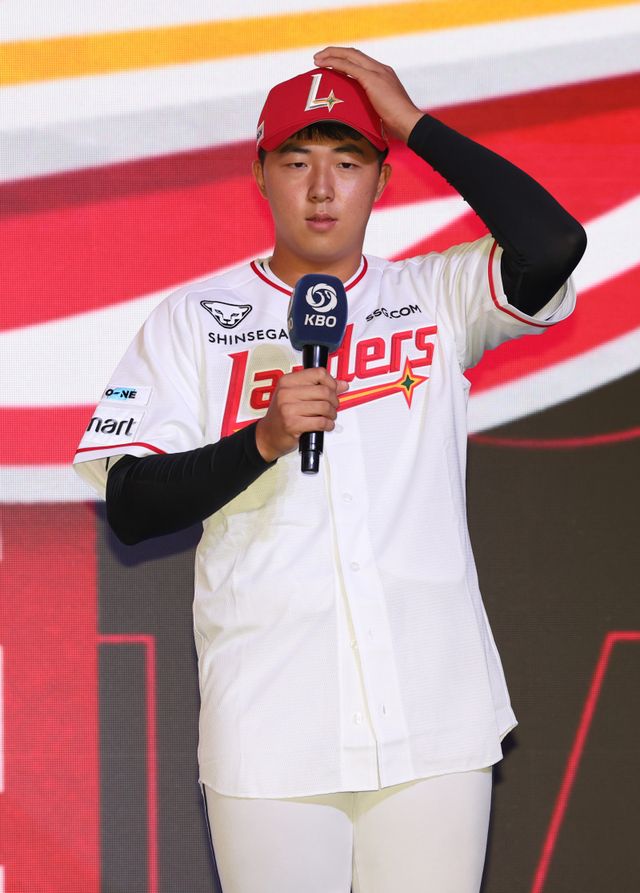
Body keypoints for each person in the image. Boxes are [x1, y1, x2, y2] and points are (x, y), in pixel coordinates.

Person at [74, 46, 586, 893]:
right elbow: (130, 502)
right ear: (259, 173)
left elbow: (554, 243)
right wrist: (261, 441)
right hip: (272, 728)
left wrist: (416, 124)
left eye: (348, 162)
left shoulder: (435, 294)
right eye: (297, 161)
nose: (321, 188)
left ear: (382, 180)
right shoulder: (193, 319)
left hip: (433, 719)